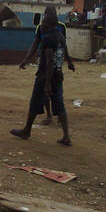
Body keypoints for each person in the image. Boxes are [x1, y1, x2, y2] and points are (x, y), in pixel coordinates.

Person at [11, 13, 73, 146]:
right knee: (59, 104)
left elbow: (49, 61)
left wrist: (47, 84)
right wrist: (69, 61)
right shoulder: (60, 36)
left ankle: (27, 130)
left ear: (50, 25)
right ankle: (66, 136)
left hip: (45, 75)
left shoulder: (48, 39)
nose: (42, 25)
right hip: (58, 74)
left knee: (35, 102)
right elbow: (64, 50)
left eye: (44, 23)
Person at [18, 6, 74, 124]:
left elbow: (63, 44)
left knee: (49, 90)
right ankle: (50, 114)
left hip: (51, 64)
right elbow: (36, 43)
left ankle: (56, 115)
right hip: (49, 63)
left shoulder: (61, 27)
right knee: (53, 91)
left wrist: (68, 60)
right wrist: (26, 59)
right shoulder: (41, 27)